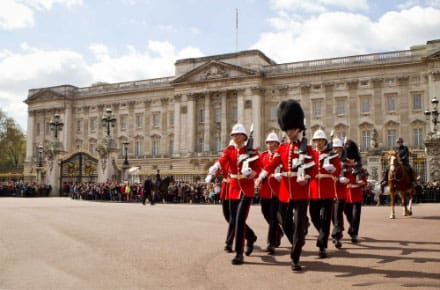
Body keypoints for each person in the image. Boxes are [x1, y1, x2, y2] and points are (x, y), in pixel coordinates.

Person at [255, 99, 315, 271]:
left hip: (301, 191)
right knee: (284, 221)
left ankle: (295, 257)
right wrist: (261, 177)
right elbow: (271, 165)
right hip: (285, 192)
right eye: (287, 129)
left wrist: (307, 178)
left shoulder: (307, 149)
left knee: (297, 226)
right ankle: (298, 240)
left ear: (298, 129)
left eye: (292, 129)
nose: (289, 132)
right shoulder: (282, 149)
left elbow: (314, 168)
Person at [206, 123, 262, 265]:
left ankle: (239, 253)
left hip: (246, 188)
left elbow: (259, 167)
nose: (235, 137)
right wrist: (214, 167)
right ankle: (251, 238)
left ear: (244, 136)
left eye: (238, 135)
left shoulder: (251, 151)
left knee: (240, 220)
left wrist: (253, 173)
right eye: (234, 135)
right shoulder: (229, 150)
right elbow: (222, 161)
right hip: (232, 188)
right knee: (234, 219)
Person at [310, 129, 341, 258]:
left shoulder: (332, 155)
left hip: (327, 189)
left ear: (324, 141)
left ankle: (322, 245)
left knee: (326, 218)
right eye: (316, 140)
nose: (317, 142)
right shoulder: (310, 154)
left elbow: (338, 169)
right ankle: (324, 233)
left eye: (320, 140)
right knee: (313, 216)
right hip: (314, 190)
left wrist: (332, 171)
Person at [258, 132, 284, 255]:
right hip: (265, 190)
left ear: (277, 144)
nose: (269, 145)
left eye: (272, 142)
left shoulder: (281, 155)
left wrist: (282, 176)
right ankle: (278, 231)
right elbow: (258, 169)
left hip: (276, 190)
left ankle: (271, 243)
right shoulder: (262, 156)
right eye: (268, 142)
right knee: (265, 213)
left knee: (273, 217)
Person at [343, 140, 367, 243]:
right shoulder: (343, 165)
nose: (351, 160)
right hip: (346, 195)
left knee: (356, 216)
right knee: (349, 214)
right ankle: (352, 228)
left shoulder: (359, 166)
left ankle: (354, 234)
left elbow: (364, 181)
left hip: (357, 194)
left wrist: (362, 183)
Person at [331, 137, 348, 249]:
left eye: (338, 148)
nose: (336, 150)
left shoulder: (346, 161)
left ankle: (337, 236)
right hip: (330, 190)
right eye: (335, 148)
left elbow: (351, 174)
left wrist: (345, 178)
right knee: (333, 215)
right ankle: (339, 230)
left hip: (341, 191)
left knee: (337, 213)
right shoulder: (330, 159)